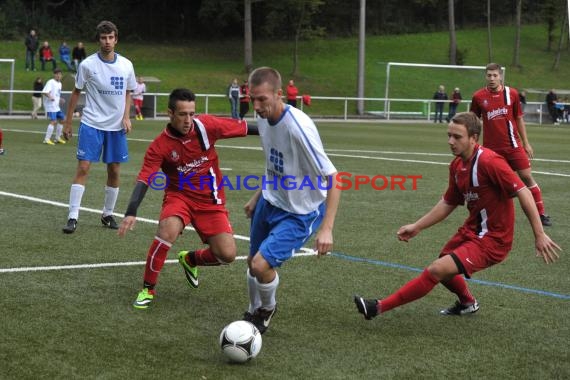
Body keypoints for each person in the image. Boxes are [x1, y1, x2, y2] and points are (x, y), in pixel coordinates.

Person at [354, 112, 561, 321]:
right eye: (449, 135)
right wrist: (418, 226)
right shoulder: (456, 166)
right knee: (444, 264)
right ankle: (467, 303)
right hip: (472, 230)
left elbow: (524, 191)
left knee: (437, 269)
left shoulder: (490, 161)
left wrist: (539, 234)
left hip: (493, 239)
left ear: (474, 138)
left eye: (457, 137)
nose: (450, 141)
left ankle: (378, 307)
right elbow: (448, 202)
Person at [119, 88, 258, 309]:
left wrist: (278, 131)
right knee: (167, 231)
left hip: (210, 199)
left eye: (192, 113)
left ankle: (190, 259)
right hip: (179, 196)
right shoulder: (159, 146)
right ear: (170, 114)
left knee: (227, 255)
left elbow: (246, 128)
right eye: (183, 114)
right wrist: (131, 211)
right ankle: (148, 288)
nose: (188, 120)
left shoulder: (207, 126)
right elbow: (145, 178)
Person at [242, 67, 341, 334]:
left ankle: (267, 308)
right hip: (270, 200)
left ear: (279, 94)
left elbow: (334, 178)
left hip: (300, 211)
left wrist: (327, 228)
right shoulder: (262, 118)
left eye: (263, 98)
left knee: (262, 265)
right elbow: (275, 164)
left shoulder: (298, 128)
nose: (257, 105)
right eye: (253, 98)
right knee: (252, 261)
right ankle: (252, 312)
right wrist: (257, 197)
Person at [61, 20, 137, 234]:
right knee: (83, 167)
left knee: (114, 170)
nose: (107, 42)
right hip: (91, 123)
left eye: (111, 37)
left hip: (116, 127)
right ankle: (73, 216)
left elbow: (129, 92)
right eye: (103, 38)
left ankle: (107, 214)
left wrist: (127, 116)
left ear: (116, 39)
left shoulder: (126, 65)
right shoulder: (87, 65)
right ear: (98, 40)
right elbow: (76, 92)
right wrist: (68, 122)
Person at [471, 63, 552, 226]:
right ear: (485, 77)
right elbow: (473, 121)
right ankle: (490, 216)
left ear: (500, 76)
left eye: (495, 75)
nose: (492, 78)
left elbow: (519, 119)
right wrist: (473, 143)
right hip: (492, 150)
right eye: (489, 75)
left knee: (527, 177)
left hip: (514, 146)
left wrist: (526, 143)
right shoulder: (478, 97)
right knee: (491, 184)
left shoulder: (512, 94)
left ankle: (541, 214)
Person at [42, 68, 66, 145]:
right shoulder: (51, 82)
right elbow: (45, 92)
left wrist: (60, 99)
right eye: (57, 74)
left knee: (62, 119)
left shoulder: (60, 84)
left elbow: (56, 94)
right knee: (54, 121)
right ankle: (46, 139)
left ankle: (57, 138)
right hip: (50, 106)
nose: (58, 75)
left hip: (56, 106)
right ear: (54, 75)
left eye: (59, 74)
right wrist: (50, 97)